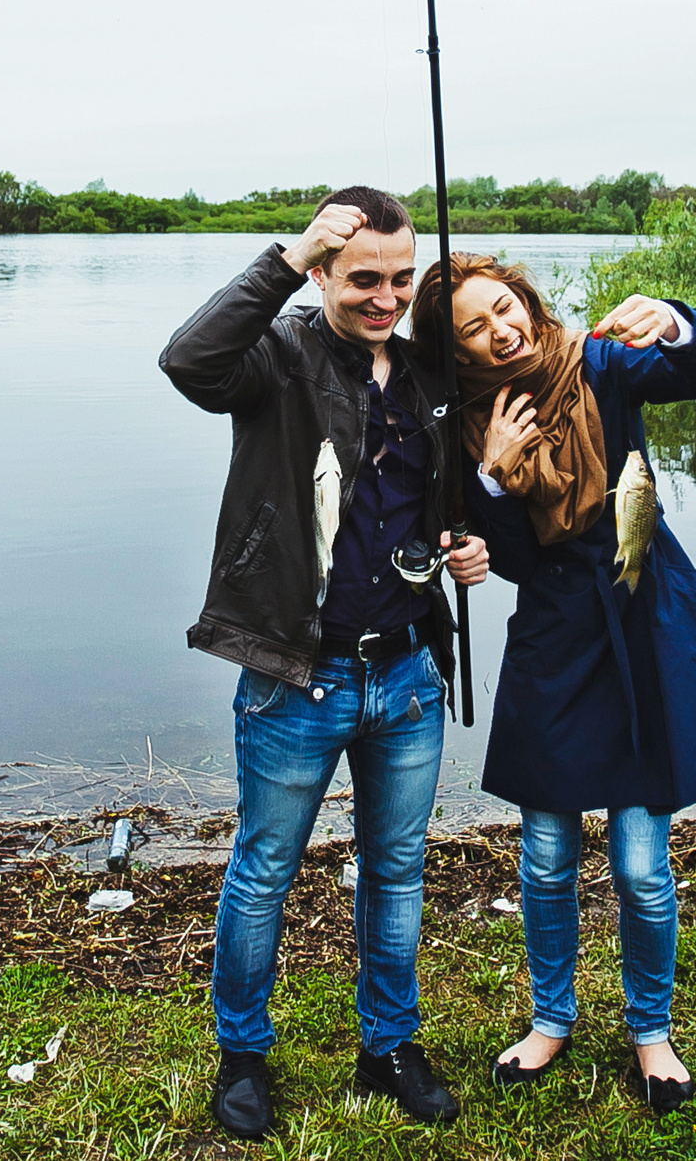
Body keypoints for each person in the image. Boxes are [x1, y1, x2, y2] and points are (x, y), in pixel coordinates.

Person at [159, 187, 492, 1140]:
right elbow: (188, 359)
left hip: (408, 673)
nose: (385, 299)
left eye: (400, 279)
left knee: (397, 868)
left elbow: (448, 493)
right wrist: (282, 256)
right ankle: (244, 1057)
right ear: (321, 272)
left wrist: (466, 547)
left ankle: (389, 1046)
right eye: (362, 281)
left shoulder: (433, 370)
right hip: (294, 674)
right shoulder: (281, 357)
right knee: (264, 870)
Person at [408, 252, 696, 1117]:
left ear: (523, 298)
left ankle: (651, 1032)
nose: (503, 330)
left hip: (647, 626)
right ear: (458, 354)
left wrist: (672, 321)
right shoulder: (467, 425)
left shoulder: (599, 361)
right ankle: (549, 1020)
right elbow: (517, 563)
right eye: (476, 330)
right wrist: (490, 476)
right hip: (555, 640)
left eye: (505, 307)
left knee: (641, 868)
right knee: (547, 854)